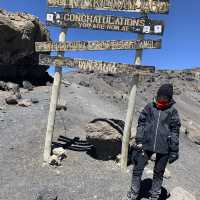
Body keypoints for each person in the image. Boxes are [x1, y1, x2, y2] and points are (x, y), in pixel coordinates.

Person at [126, 83, 181, 200]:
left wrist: (174, 150)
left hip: (164, 147)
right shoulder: (149, 107)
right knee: (137, 168)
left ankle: (154, 195)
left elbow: (175, 131)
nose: (162, 99)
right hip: (146, 143)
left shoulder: (173, 111)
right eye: (160, 96)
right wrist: (139, 139)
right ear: (157, 95)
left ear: (169, 98)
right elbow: (141, 123)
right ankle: (134, 193)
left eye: (165, 97)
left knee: (159, 173)